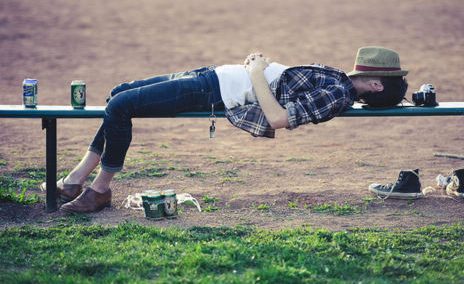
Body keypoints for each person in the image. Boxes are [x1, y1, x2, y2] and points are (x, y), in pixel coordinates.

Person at [41, 46, 408, 213]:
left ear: (377, 85)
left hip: (214, 91)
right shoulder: (339, 81)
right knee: (119, 94)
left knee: (121, 106)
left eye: (376, 71)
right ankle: (75, 179)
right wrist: (254, 66)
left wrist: (253, 71)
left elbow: (280, 117)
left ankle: (100, 190)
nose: (364, 65)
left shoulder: (339, 93)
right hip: (211, 76)